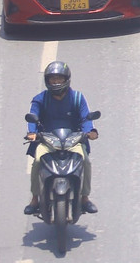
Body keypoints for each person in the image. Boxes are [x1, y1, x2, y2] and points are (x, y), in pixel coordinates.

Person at [24, 61, 97, 216]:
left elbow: (86, 118)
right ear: (47, 81)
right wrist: (32, 133)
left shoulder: (77, 98)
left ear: (66, 79)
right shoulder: (40, 99)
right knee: (37, 161)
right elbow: (32, 118)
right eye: (52, 79)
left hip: (73, 140)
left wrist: (90, 132)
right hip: (47, 141)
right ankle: (35, 198)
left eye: (59, 79)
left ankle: (85, 198)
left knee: (85, 161)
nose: (56, 82)